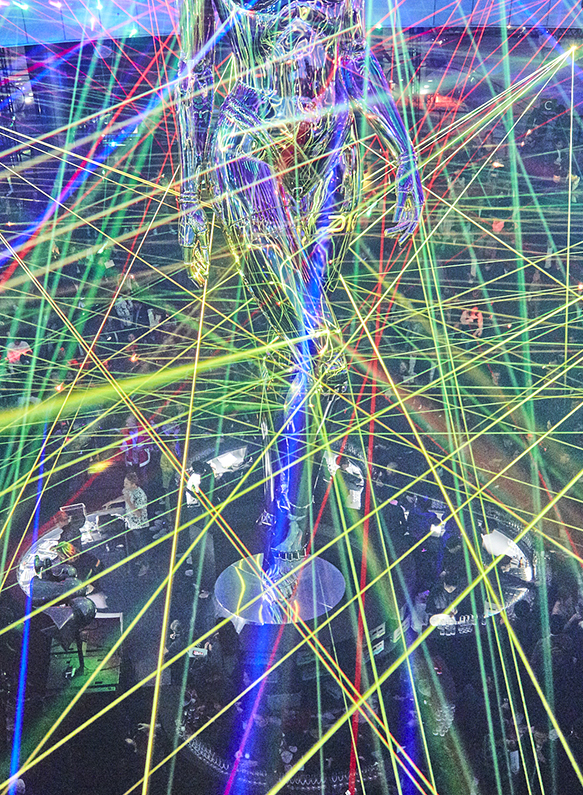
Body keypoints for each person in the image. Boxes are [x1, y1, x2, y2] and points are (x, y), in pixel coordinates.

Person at [174, 0, 422, 561]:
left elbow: (358, 59)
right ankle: (292, 471)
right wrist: (192, 198)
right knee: (295, 321)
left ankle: (305, 466)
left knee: (301, 328)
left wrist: (405, 164)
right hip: (250, 132)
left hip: (327, 138)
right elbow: (196, 79)